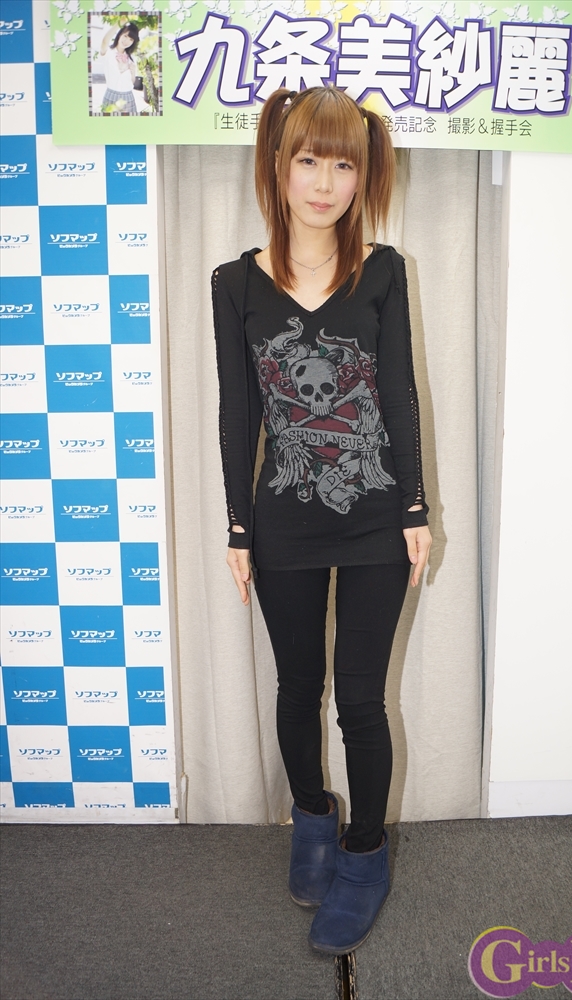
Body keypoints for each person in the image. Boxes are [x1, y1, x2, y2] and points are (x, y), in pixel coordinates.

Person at [211, 86, 432, 955]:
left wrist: (414, 507)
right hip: (284, 519)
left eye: (344, 164)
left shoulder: (383, 269)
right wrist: (238, 527)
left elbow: (397, 392)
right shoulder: (235, 282)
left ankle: (364, 852)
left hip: (376, 516)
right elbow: (239, 411)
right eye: (309, 160)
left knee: (362, 699)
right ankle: (311, 816)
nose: (325, 182)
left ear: (363, 175)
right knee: (297, 687)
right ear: (278, 164)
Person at [98, 22, 140, 115]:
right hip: (111, 95)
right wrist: (118, 23)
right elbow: (104, 41)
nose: (126, 41)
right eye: (125, 36)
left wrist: (133, 72)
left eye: (131, 39)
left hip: (128, 97)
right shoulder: (108, 52)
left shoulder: (131, 58)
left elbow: (132, 82)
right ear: (119, 34)